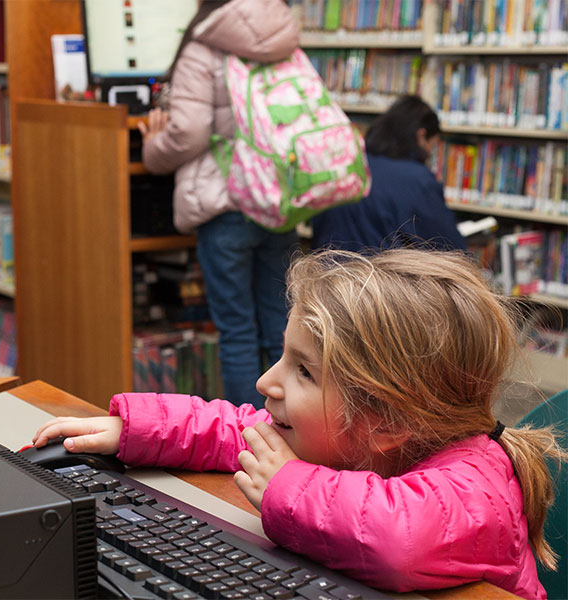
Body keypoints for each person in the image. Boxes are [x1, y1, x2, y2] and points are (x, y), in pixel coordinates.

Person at [33, 248, 566, 600]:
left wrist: (284, 484)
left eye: (304, 371)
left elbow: (401, 537)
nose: (268, 381)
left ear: (386, 418)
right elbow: (240, 429)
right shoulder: (373, 431)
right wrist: (138, 430)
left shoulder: (478, 483)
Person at [136, 0, 300, 408]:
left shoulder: (203, 47)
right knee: (283, 327)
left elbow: (189, 132)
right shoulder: (283, 40)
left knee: (237, 331)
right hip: (279, 196)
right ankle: (290, 431)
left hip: (225, 204)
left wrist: (152, 149)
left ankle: (250, 435)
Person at [311, 95, 467, 253]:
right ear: (421, 136)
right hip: (375, 274)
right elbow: (450, 249)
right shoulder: (416, 180)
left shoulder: (346, 165)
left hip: (327, 272)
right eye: (432, 147)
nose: (429, 154)